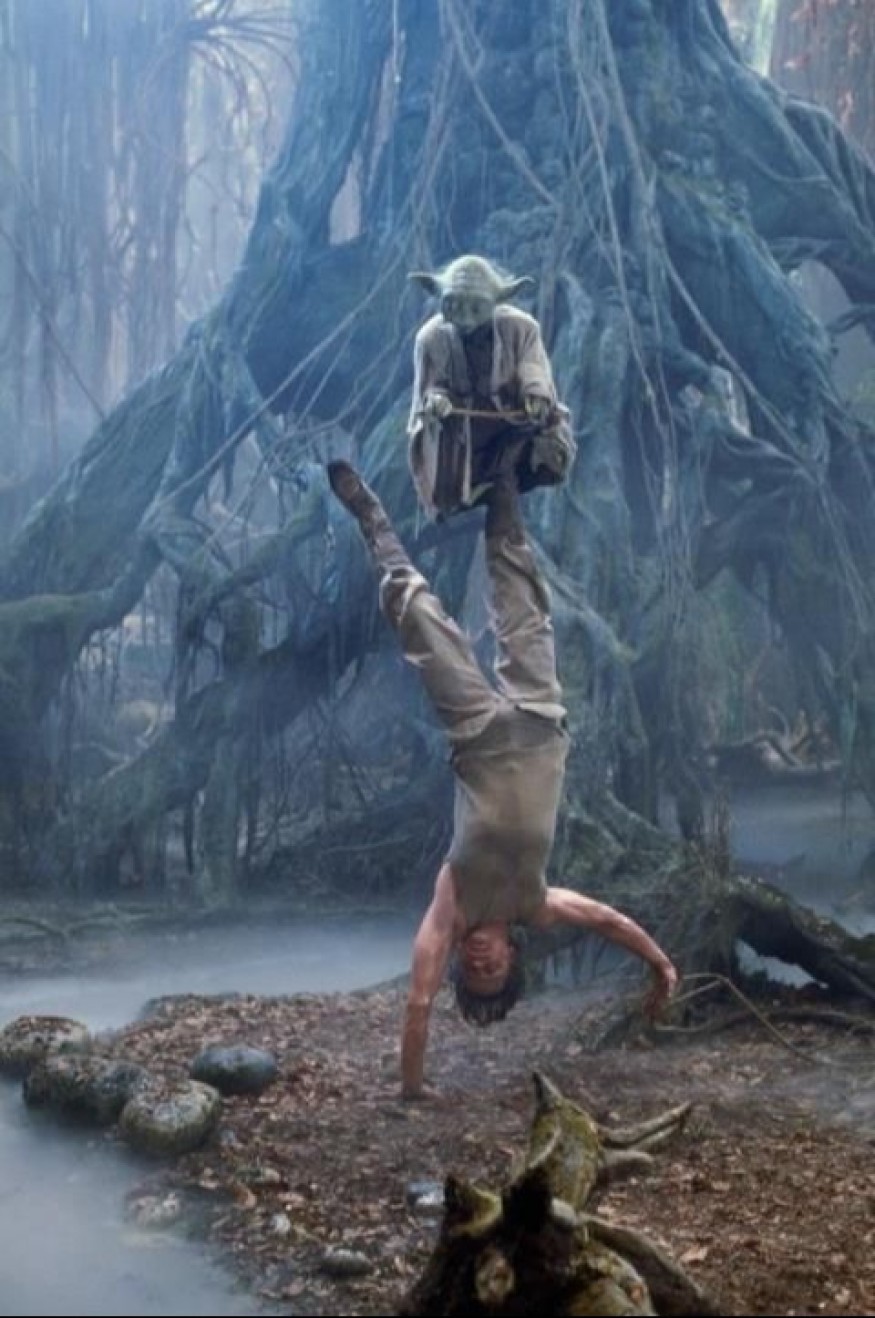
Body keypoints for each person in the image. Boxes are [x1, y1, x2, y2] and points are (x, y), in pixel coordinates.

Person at [326, 459, 678, 1100]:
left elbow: (417, 1001)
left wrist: (412, 1089)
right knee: (521, 593)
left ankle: (373, 520)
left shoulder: (452, 905)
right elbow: (606, 920)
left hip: (477, 736)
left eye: (473, 971)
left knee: (416, 615)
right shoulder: (535, 905)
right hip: (541, 721)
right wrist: (660, 965)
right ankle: (503, 479)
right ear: (515, 954)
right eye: (493, 971)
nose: (481, 962)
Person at [407, 254, 576, 520]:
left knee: (516, 468)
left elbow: (531, 363)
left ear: (495, 302)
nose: (465, 318)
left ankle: (502, 504)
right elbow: (430, 386)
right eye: (454, 305)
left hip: (512, 422)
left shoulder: (521, 328)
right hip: (461, 436)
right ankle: (471, 497)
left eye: (476, 307)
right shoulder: (430, 339)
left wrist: (534, 392)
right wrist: (437, 400)